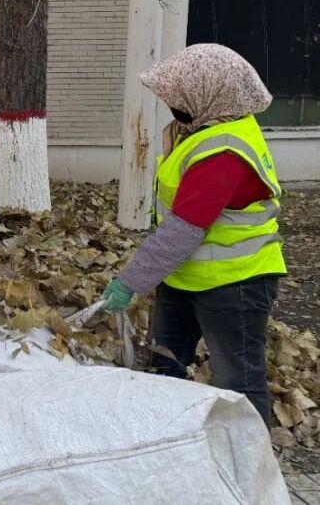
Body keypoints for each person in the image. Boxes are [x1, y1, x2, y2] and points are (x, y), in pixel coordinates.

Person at [102, 43, 285, 426]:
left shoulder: (224, 153)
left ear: (206, 96)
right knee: (163, 365)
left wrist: (131, 281)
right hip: (185, 276)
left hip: (235, 283)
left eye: (177, 97)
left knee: (238, 381)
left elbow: (183, 230)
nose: (171, 104)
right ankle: (166, 442)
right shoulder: (203, 129)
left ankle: (249, 457)